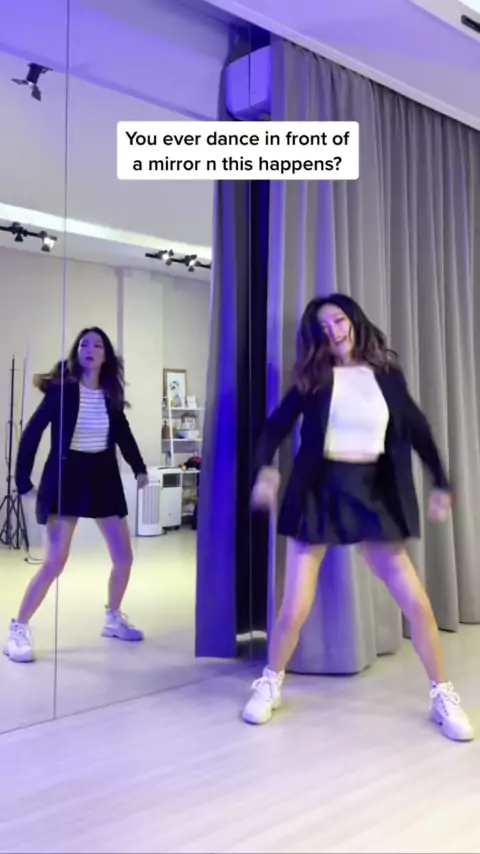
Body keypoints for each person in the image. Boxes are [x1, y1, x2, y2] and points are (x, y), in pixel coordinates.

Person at [244, 294, 474, 742]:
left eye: (338, 319)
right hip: (319, 491)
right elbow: (275, 427)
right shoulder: (314, 378)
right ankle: (270, 682)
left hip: (372, 493)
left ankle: (442, 695)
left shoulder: (385, 373)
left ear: (353, 320)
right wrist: (266, 469)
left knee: (416, 602)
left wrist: (441, 483)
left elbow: (418, 428)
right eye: (323, 326)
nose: (333, 330)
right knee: (295, 604)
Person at [5, 327, 148, 664]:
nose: (90, 349)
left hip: (104, 476)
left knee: (124, 557)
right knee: (55, 561)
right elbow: (32, 432)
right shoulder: (62, 390)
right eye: (84, 344)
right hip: (68, 476)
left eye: (97, 345)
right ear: (77, 352)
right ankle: (18, 629)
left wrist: (139, 468)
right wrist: (22, 481)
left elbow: (123, 432)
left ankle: (112, 617)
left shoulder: (110, 392)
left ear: (105, 355)